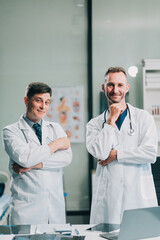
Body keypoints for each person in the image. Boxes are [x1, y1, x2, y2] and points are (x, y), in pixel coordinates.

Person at [86, 67, 158, 224]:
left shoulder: (143, 117)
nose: (115, 90)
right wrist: (110, 120)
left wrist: (117, 154)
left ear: (127, 88)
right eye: (110, 85)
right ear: (103, 88)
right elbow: (100, 152)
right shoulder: (94, 124)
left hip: (137, 197)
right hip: (108, 199)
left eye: (120, 85)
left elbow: (150, 153)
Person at [3, 82, 72, 225]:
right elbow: (25, 158)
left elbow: (66, 158)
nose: (43, 107)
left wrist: (36, 165)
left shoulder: (55, 128)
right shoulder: (10, 131)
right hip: (26, 212)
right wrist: (57, 144)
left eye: (47, 102)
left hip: (54, 210)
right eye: (38, 100)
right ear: (26, 101)